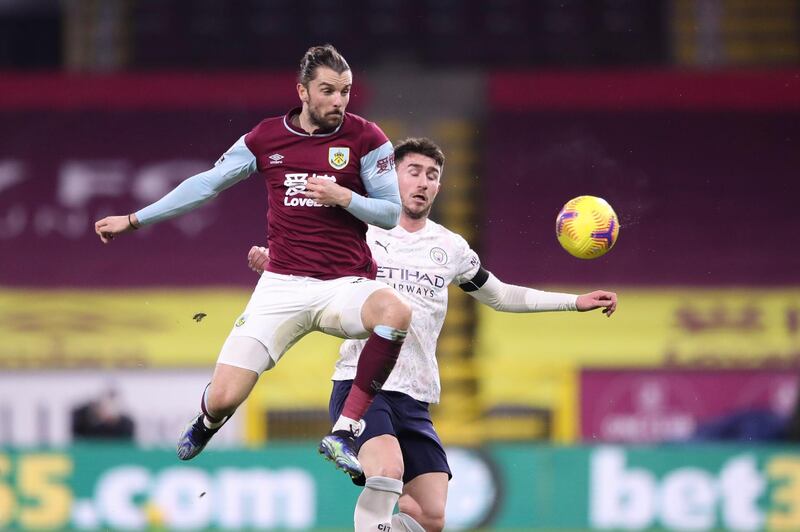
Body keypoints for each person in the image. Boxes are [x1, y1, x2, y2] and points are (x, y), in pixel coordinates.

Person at [248, 137, 618, 532]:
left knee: (430, 515)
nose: (423, 182)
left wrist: (573, 301)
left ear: (439, 186)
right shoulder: (362, 233)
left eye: (432, 175)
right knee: (386, 472)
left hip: (416, 395)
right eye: (414, 172)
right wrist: (276, 266)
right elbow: (312, 275)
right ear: (392, 177)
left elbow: (501, 295)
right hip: (362, 384)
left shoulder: (450, 247)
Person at [94, 44, 413, 480]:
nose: (338, 101)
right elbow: (207, 184)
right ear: (302, 90)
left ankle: (344, 430)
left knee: (396, 312)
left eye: (345, 91)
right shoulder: (265, 138)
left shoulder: (367, 139)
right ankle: (208, 421)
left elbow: (390, 214)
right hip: (280, 285)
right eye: (328, 91)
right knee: (225, 398)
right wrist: (134, 219)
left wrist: (345, 197)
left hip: (344, 284)